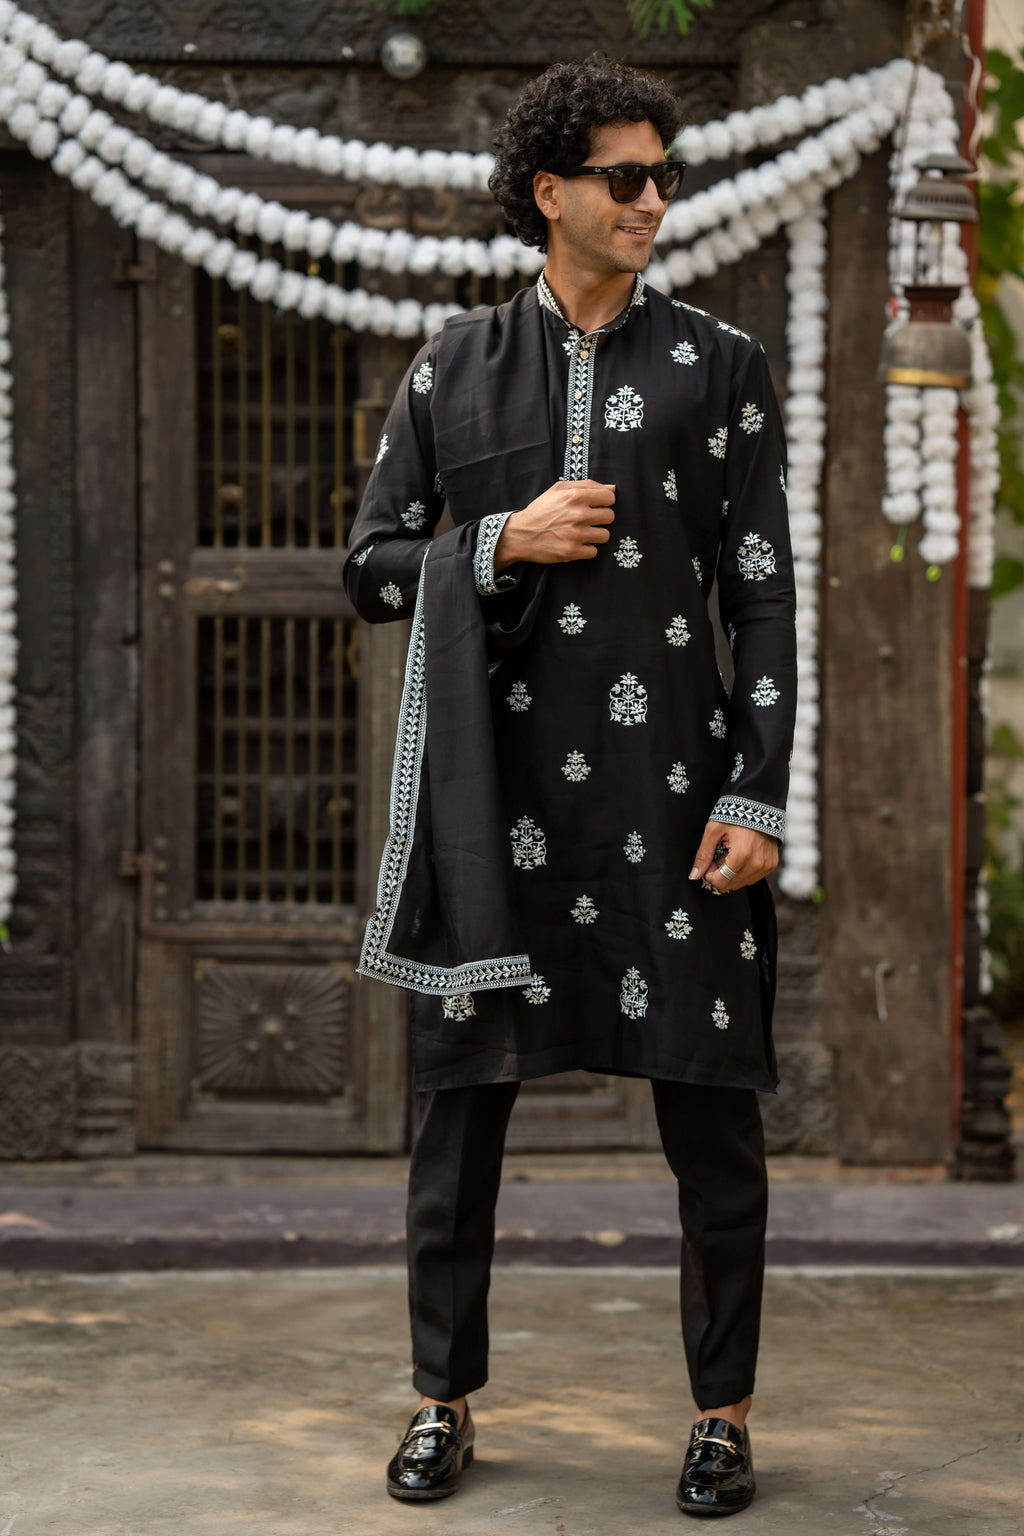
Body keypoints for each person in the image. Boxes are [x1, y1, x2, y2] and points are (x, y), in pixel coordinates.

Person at [343, 54, 796, 1519]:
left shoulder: (718, 366)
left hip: (674, 802)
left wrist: (758, 790)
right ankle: (440, 1399)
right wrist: (498, 543)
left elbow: (766, 595)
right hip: (499, 812)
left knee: (712, 1119)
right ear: (552, 193)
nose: (654, 199)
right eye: (625, 177)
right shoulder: (453, 371)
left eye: (664, 176)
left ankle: (722, 1415)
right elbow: (369, 568)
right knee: (457, 1115)